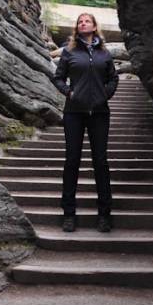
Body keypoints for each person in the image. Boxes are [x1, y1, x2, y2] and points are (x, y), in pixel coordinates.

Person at [53, 12, 119, 232]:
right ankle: (69, 214)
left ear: (94, 26)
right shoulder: (69, 52)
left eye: (87, 21)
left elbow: (113, 78)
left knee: (100, 162)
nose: (83, 23)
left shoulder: (104, 54)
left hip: (100, 113)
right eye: (79, 21)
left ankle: (104, 215)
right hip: (74, 112)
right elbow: (58, 77)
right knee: (72, 161)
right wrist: (70, 93)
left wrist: (104, 95)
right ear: (77, 27)